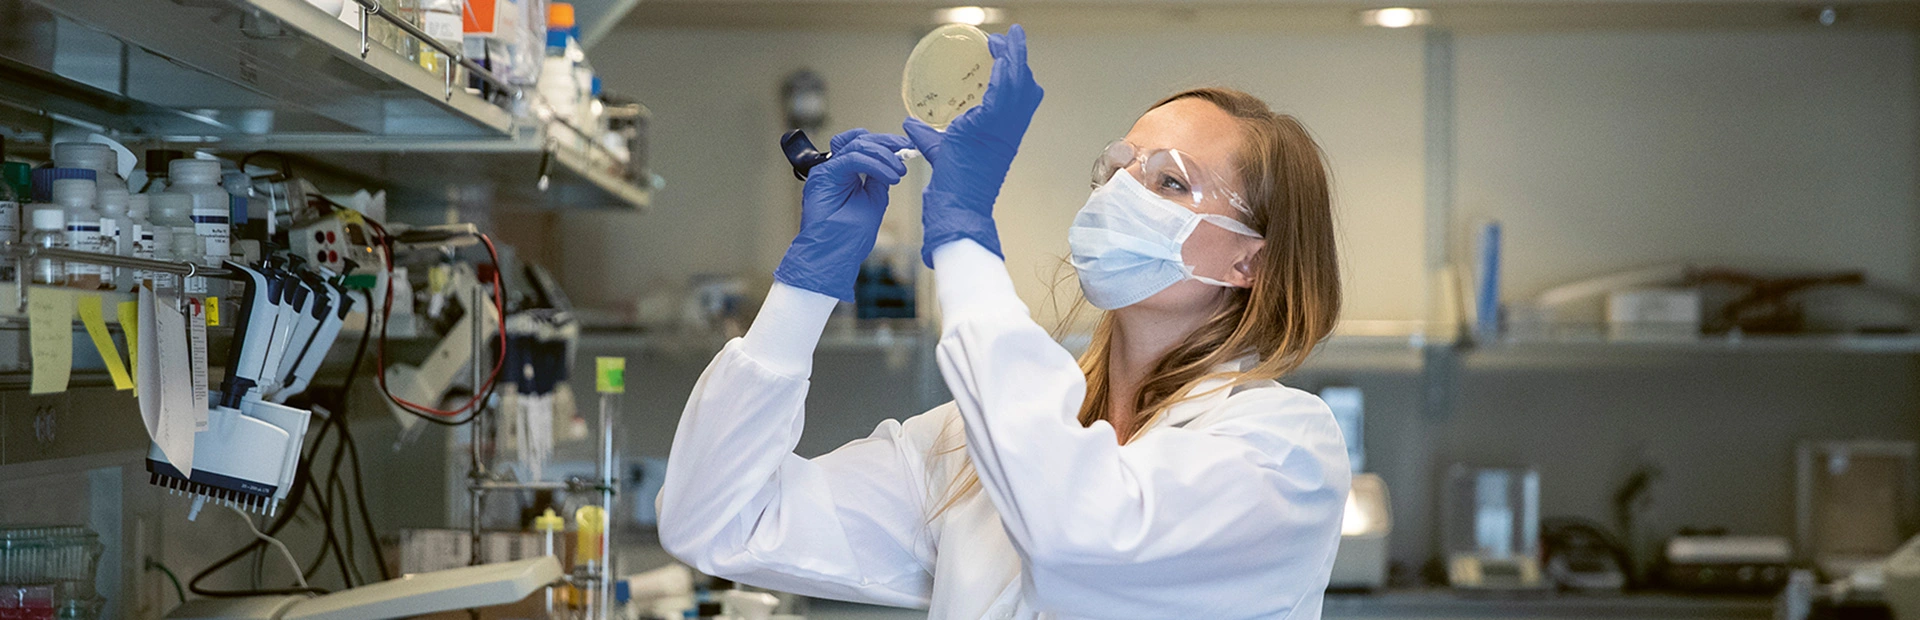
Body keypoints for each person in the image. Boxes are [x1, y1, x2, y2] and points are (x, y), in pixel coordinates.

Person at [659, 24, 1350, 619]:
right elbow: (717, 523)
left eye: (1169, 181)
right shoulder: (967, 448)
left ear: (1249, 260)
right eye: (1116, 170)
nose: (1119, 194)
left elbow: (1075, 531)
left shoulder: (1283, 450)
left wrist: (963, 238)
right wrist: (805, 289)